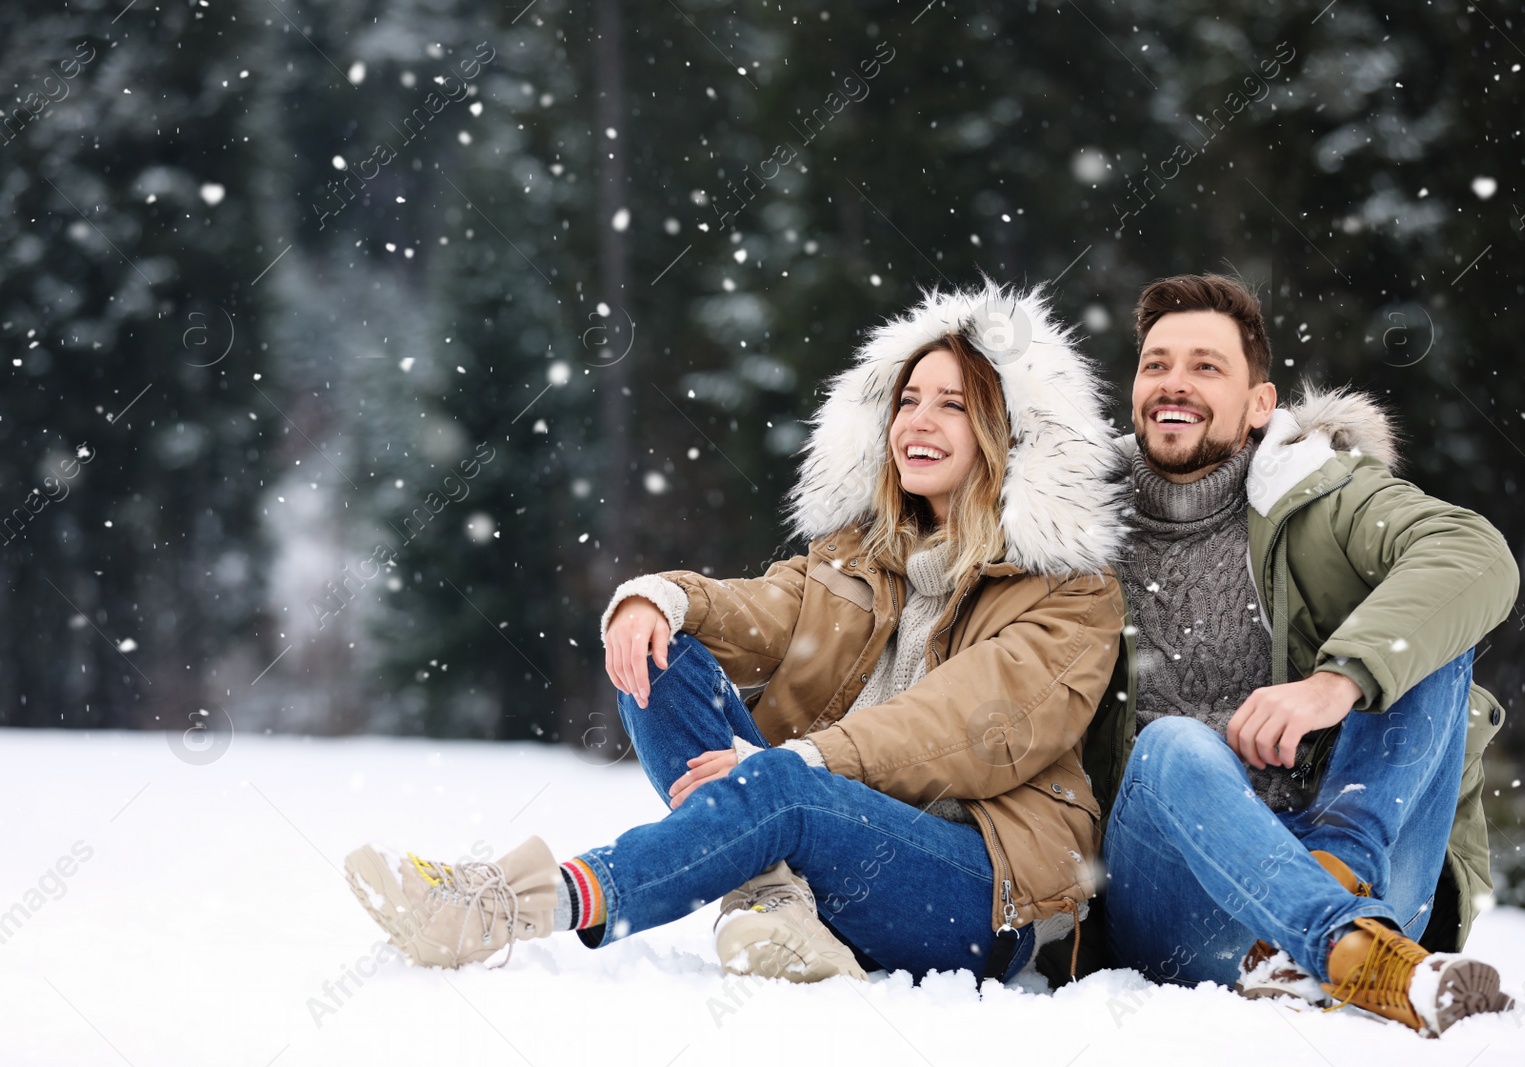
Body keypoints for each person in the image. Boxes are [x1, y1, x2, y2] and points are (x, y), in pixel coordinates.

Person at [344, 284, 1126, 984]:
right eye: (908, 399)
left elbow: (965, 722)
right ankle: (775, 901)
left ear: (1007, 433)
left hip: (983, 895)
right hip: (828, 839)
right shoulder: (860, 557)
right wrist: (659, 600)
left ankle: (511, 906)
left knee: (787, 784)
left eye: (951, 404)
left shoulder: (1070, 594)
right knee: (661, 658)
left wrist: (805, 761)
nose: (917, 421)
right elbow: (761, 608)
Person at [1079, 273, 1518, 1036]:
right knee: (1174, 744)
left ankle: (1336, 905)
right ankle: (1337, 942)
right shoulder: (1076, 523)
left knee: (1423, 631)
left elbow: (1474, 554)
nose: (1173, 383)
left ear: (1260, 405)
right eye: (1156, 363)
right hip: (1179, 905)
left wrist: (1335, 680)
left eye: (1206, 366)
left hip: (1372, 868)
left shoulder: (1320, 495)